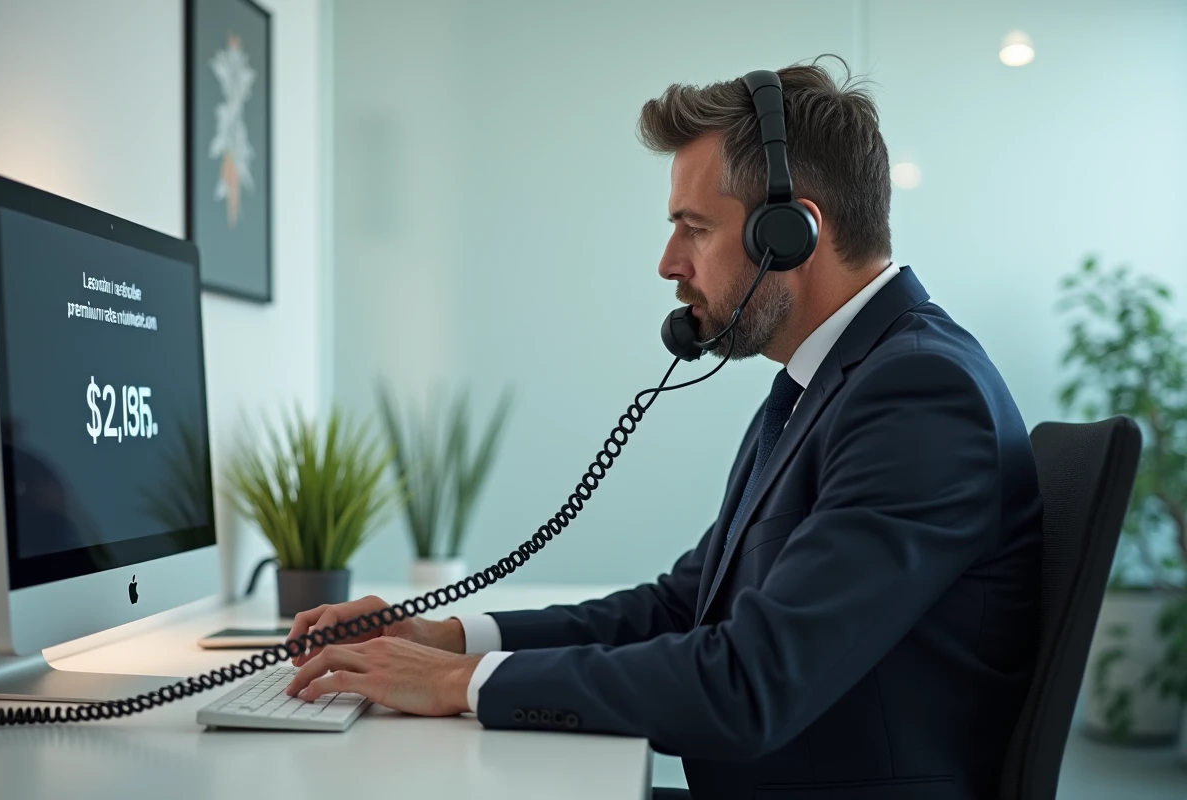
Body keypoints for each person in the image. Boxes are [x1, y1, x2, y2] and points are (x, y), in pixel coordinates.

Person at [284, 56, 1042, 800]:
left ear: (790, 234)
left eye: (694, 227)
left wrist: (458, 684)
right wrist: (448, 640)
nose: (667, 263)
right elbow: (683, 607)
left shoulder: (918, 396)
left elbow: (752, 684)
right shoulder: (824, 384)